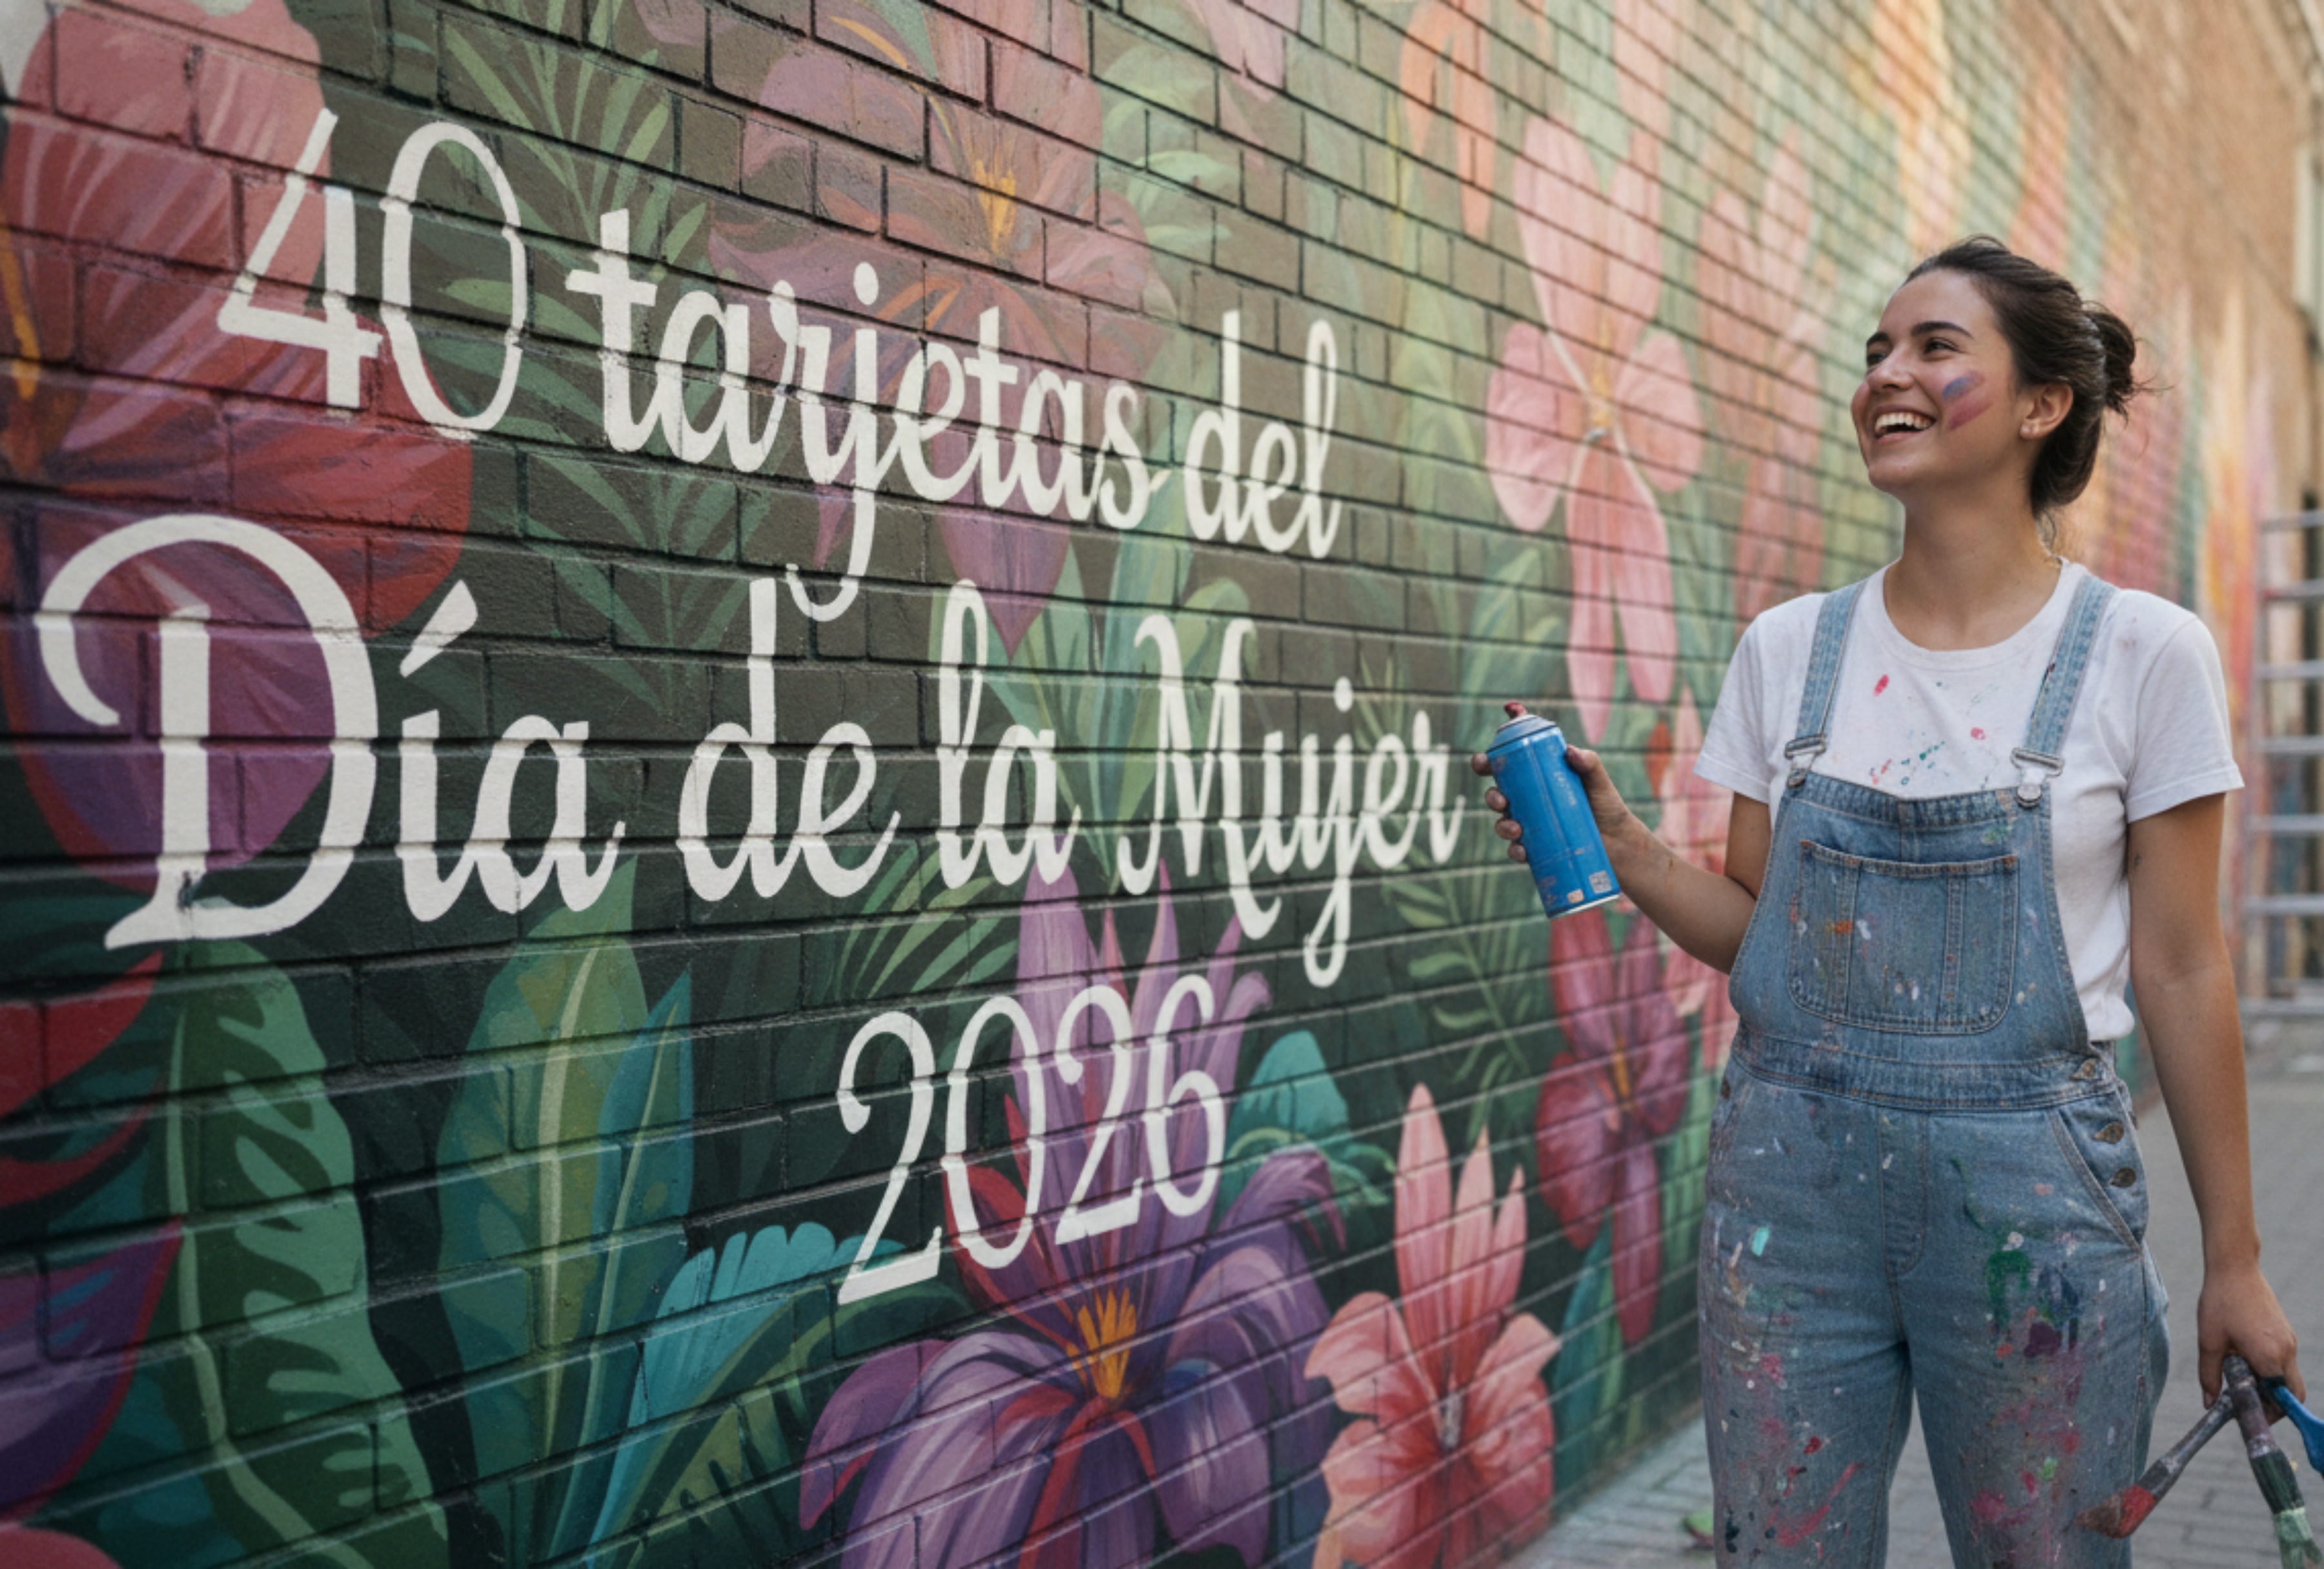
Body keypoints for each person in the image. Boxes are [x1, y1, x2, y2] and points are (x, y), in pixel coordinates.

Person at [1472, 236, 2305, 1564]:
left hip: (2037, 1207)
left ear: (2041, 405)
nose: (1886, 377)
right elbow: (1762, 935)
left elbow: (2186, 970)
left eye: (1933, 347)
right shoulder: (1790, 651)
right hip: (1786, 1206)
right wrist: (1624, 845)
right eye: (1875, 352)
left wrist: (2239, 1260)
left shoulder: (2144, 655)